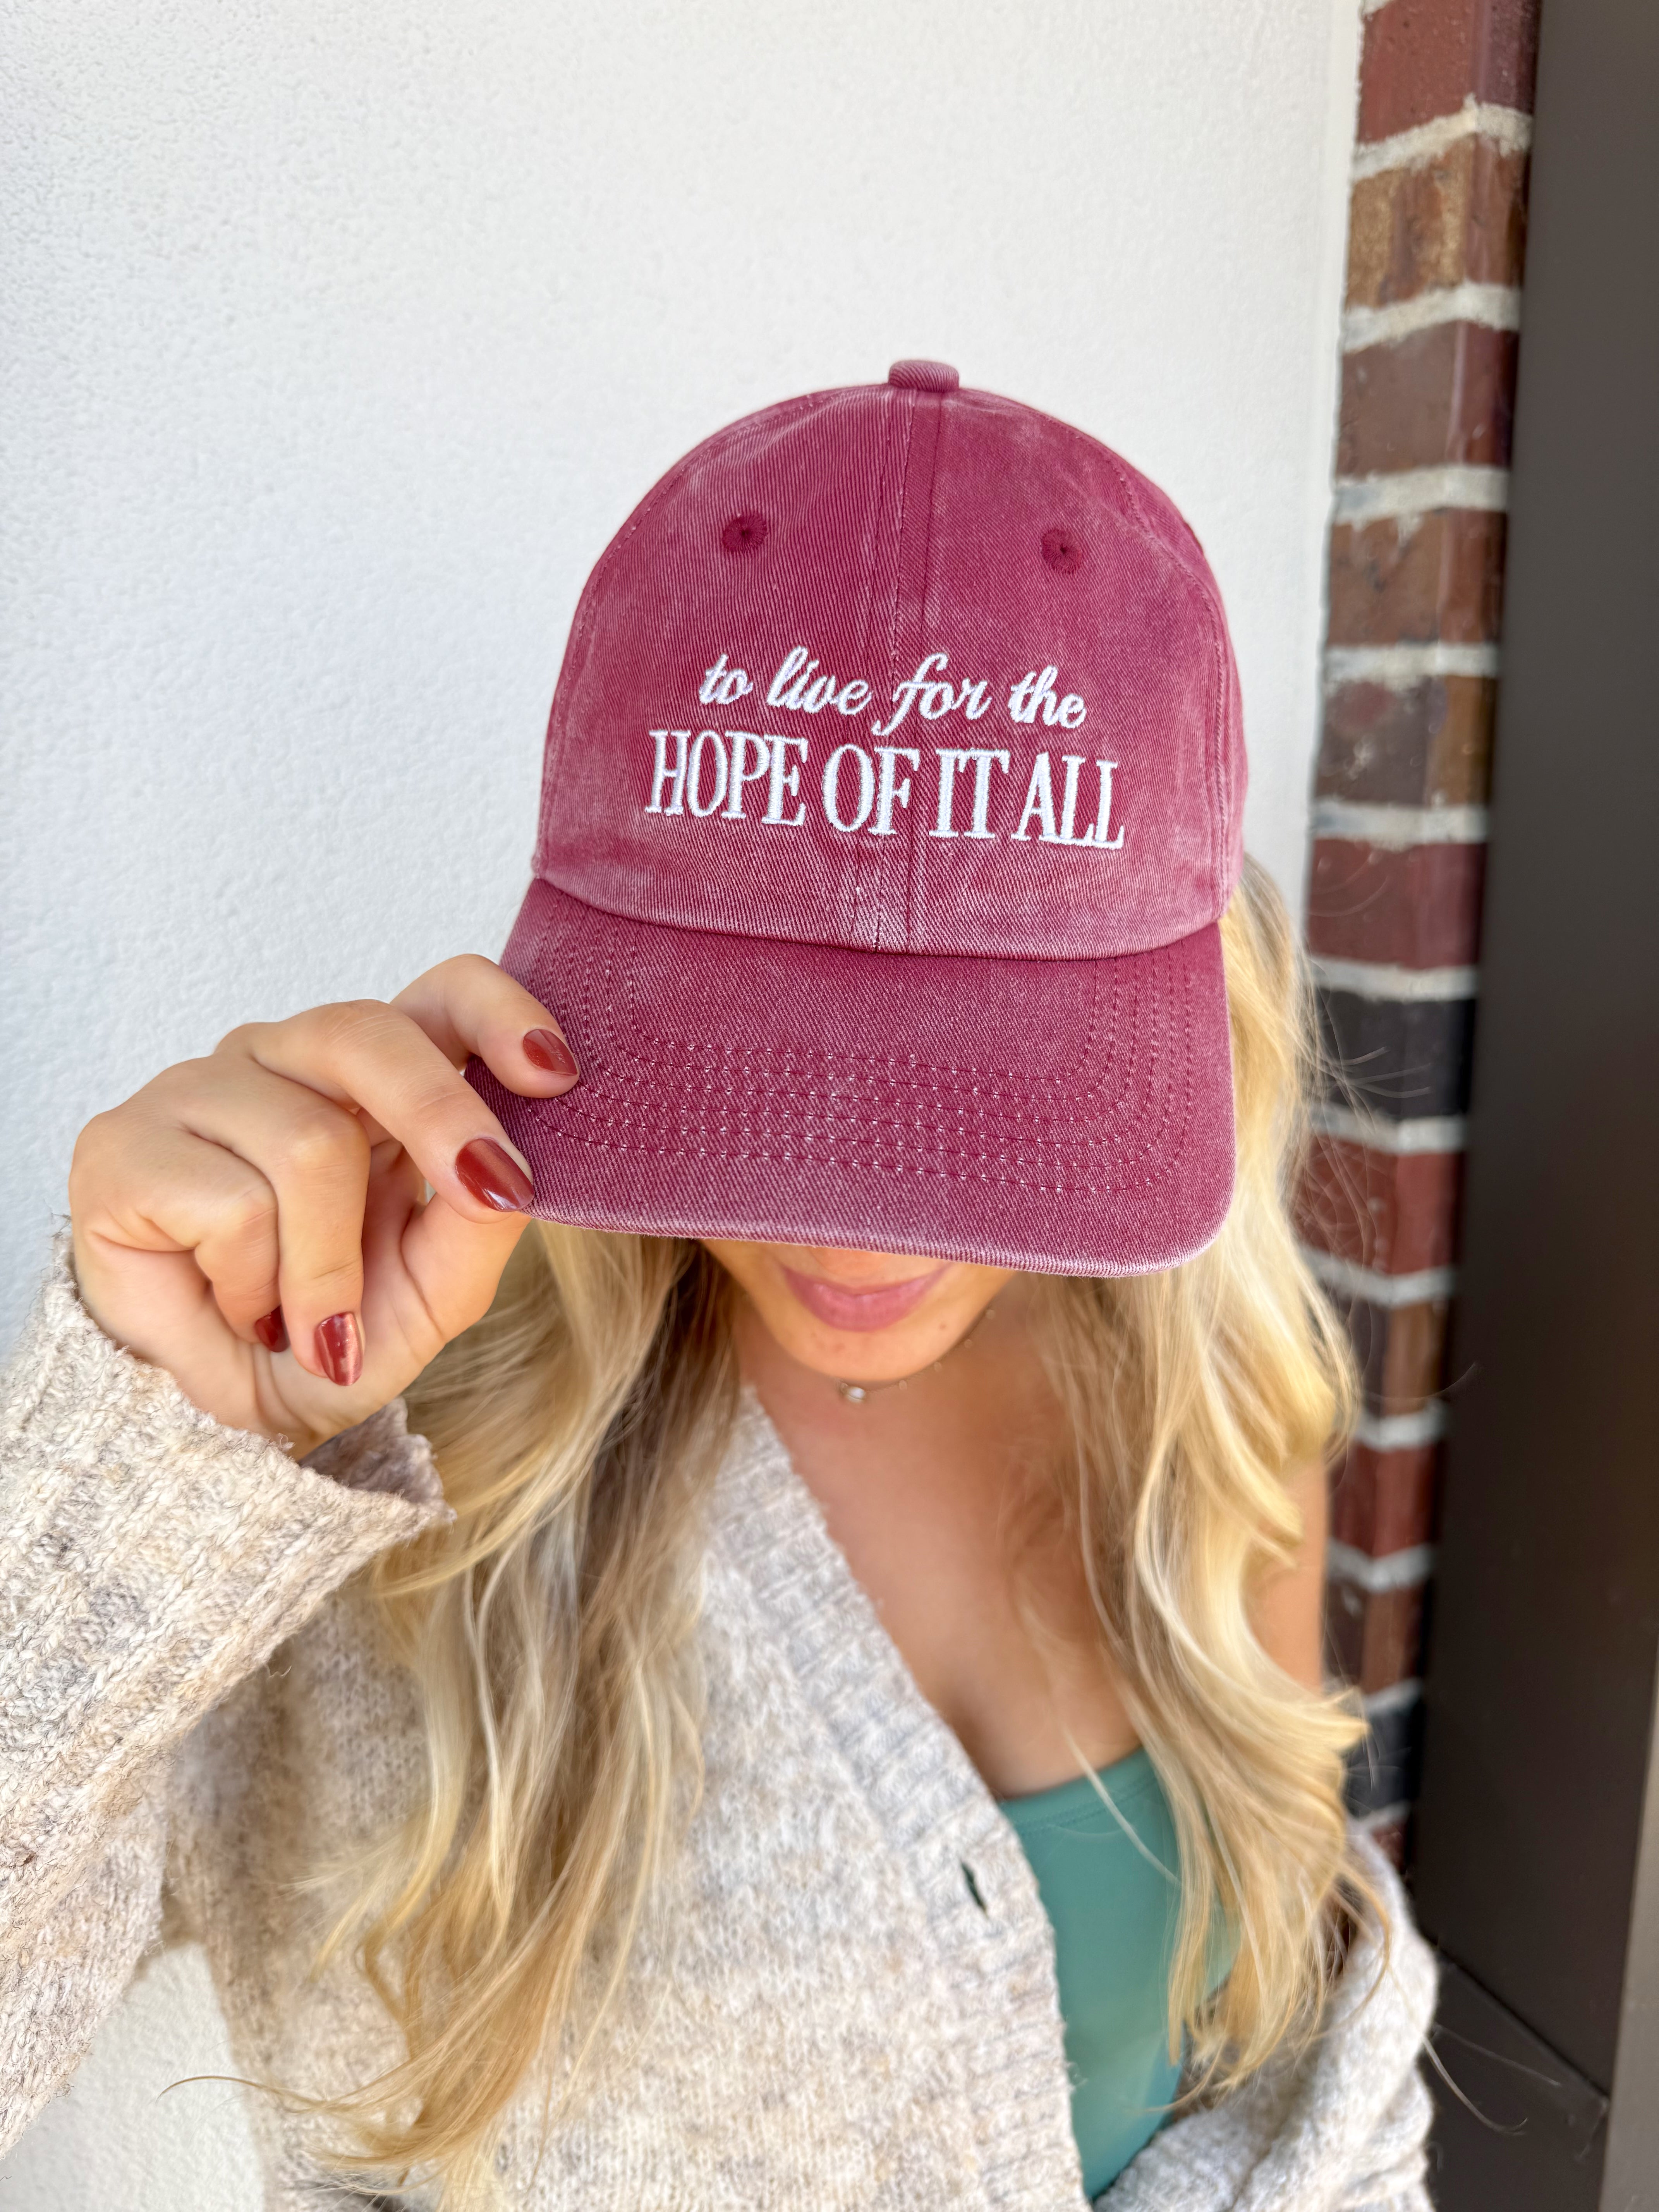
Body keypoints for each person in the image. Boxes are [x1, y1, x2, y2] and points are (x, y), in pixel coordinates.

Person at [0, 362, 1435, 2209]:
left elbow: (1302, 2062)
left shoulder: (1216, 1414)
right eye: (764, 1076)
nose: (855, 1237)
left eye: (984, 1103)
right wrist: (142, 1472)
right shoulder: (375, 1459)